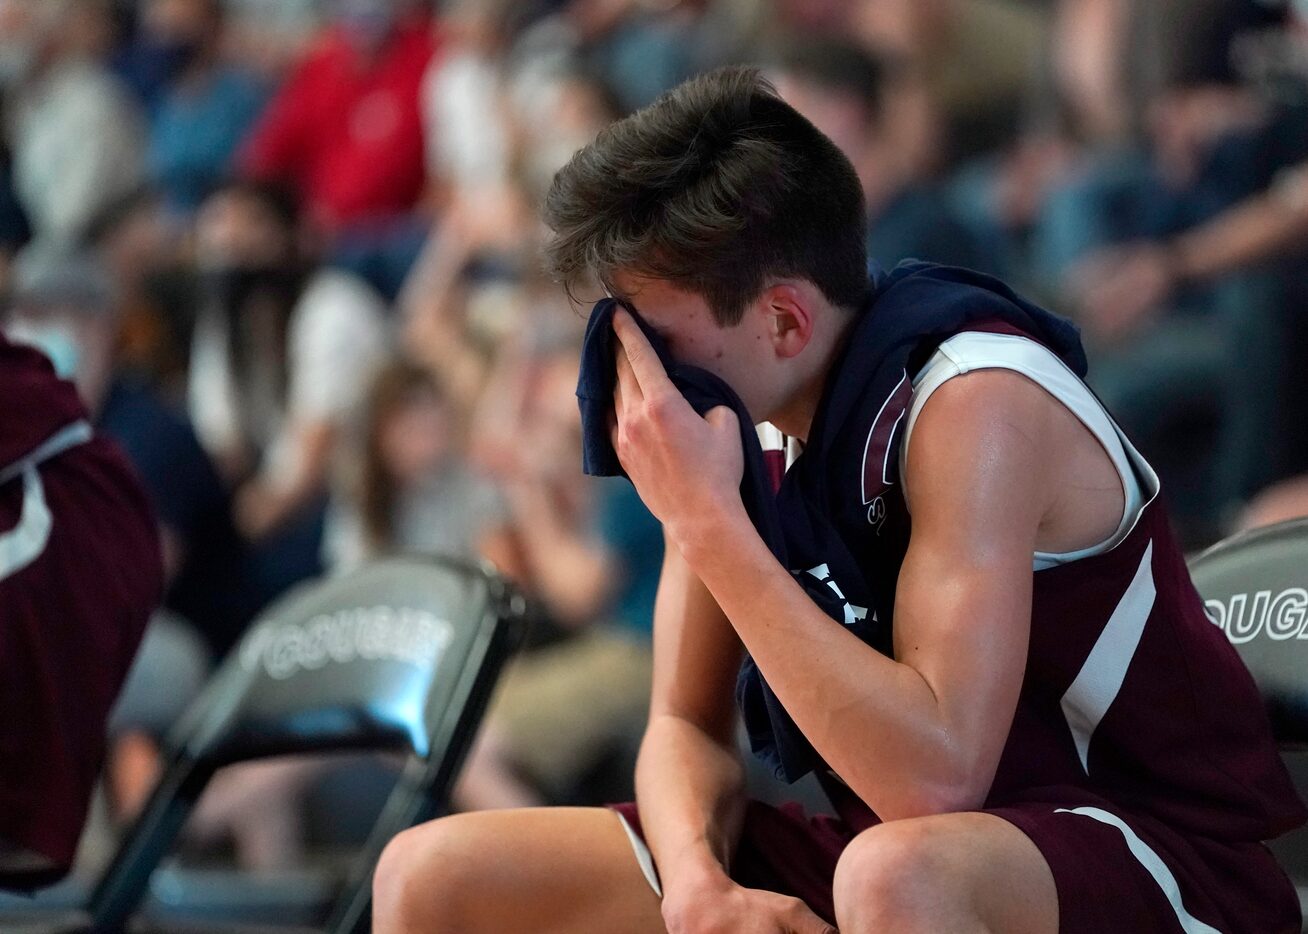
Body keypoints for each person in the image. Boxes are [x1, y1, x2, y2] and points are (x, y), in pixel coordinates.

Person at [370, 67, 1305, 933]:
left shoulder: (972, 400)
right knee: (431, 874)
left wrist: (706, 521)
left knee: (892, 874)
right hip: (910, 857)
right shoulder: (749, 408)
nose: (634, 379)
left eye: (656, 339)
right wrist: (700, 890)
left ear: (783, 318)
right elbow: (684, 725)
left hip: (1159, 857)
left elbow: (934, 779)